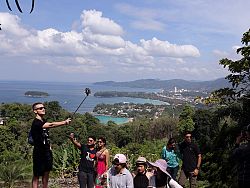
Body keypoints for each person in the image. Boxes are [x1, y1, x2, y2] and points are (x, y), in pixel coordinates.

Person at [31, 102, 71, 188]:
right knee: (37, 174)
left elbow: (47, 132)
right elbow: (51, 124)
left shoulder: (43, 120)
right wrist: (64, 122)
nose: (43, 109)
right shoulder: (36, 123)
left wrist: (49, 147)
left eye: (43, 107)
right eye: (40, 108)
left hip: (47, 151)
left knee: (46, 172)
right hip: (39, 152)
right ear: (35, 111)